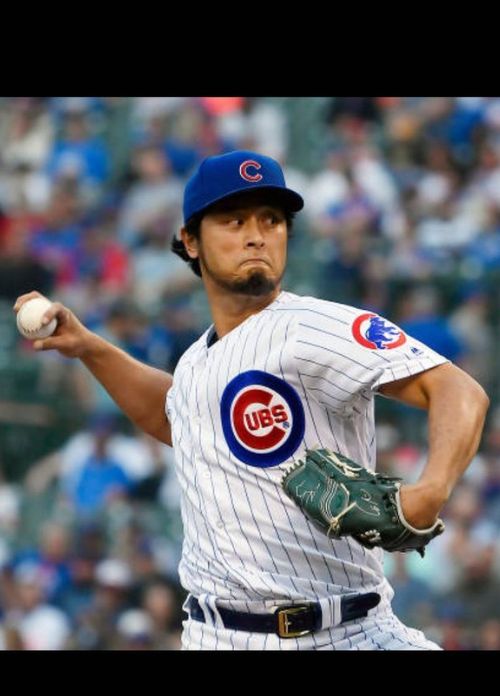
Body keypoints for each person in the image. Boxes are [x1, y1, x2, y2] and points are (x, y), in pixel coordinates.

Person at [14, 150, 489, 650]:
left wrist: (431, 490)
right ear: (190, 241)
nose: (257, 234)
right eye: (234, 220)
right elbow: (172, 413)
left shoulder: (312, 327)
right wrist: (90, 347)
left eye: (272, 220)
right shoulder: (199, 359)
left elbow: (458, 389)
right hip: (214, 635)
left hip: (348, 632)